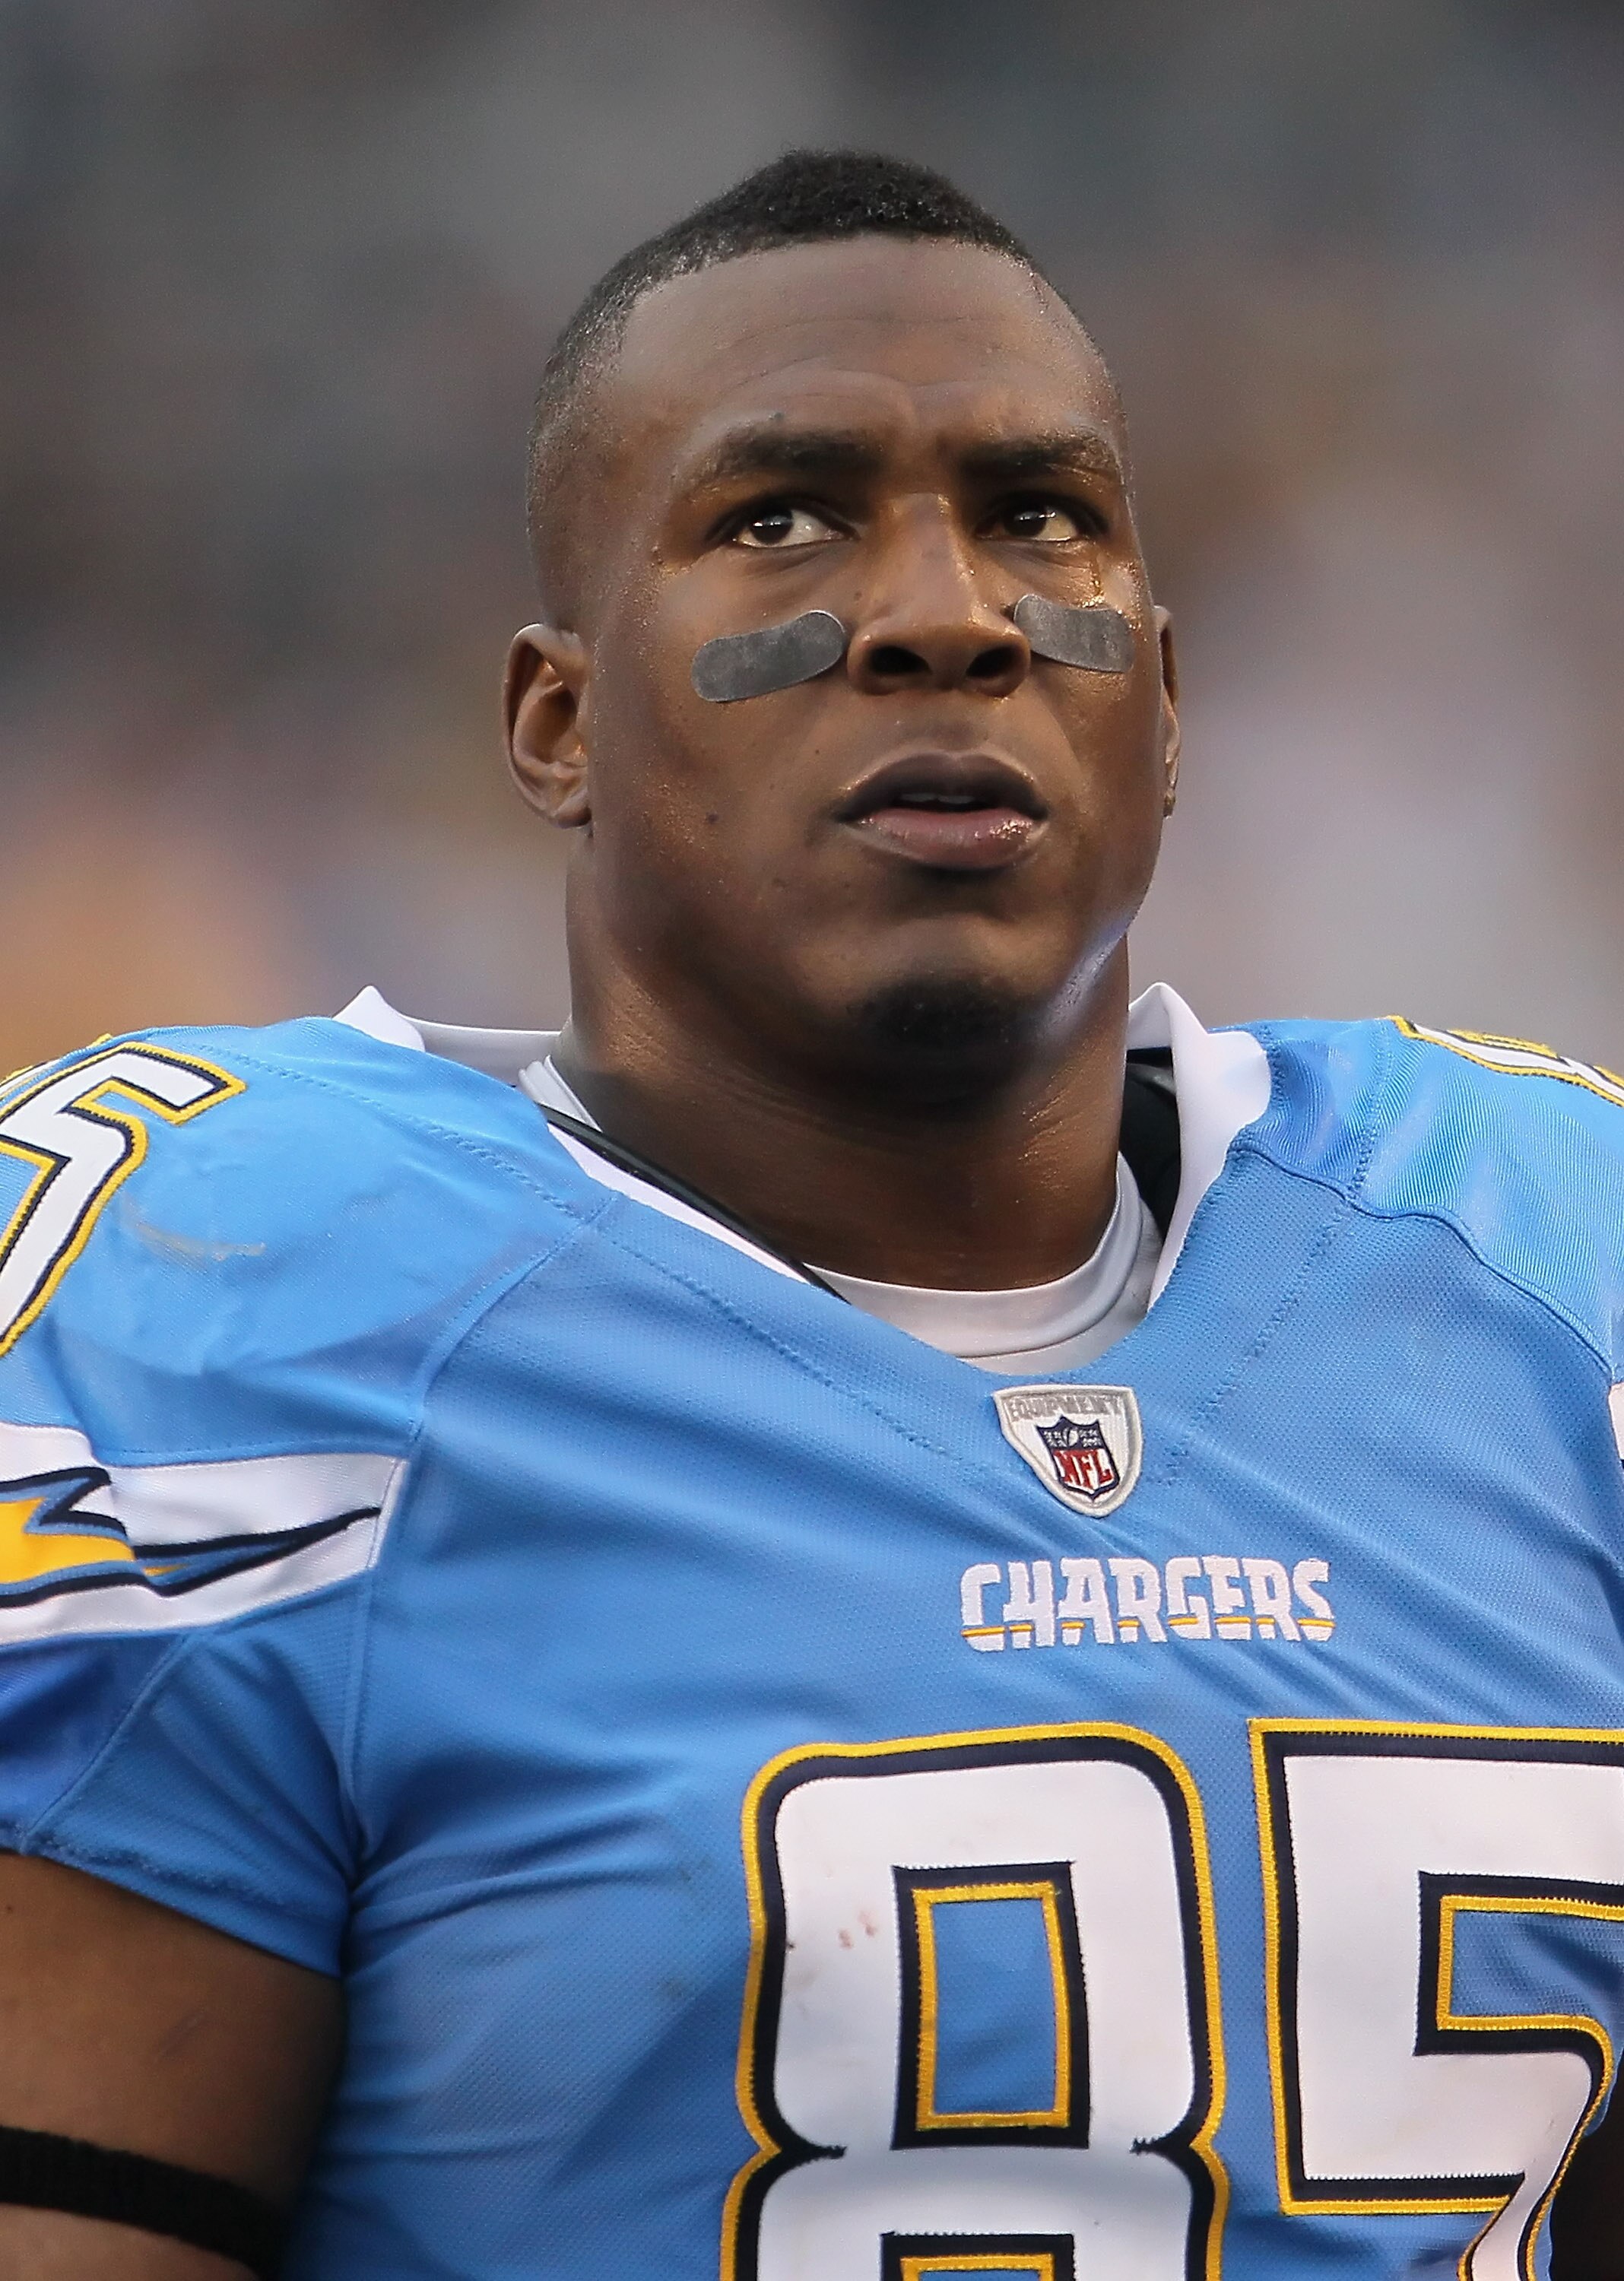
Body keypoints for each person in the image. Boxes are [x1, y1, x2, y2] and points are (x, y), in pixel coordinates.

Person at [0, 148, 1618, 2281]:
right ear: (557, 721)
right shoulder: (225, 1295)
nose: (948, 612)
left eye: (1045, 514)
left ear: (1164, 699)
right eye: (782, 519)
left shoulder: (1544, 1266)